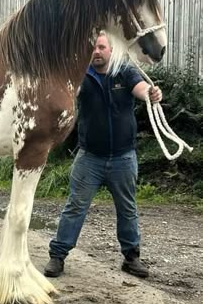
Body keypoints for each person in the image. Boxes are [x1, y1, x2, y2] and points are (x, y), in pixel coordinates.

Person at [44, 31, 162, 279]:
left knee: (127, 209)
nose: (96, 52)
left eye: (100, 47)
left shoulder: (125, 71)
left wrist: (151, 95)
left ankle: (131, 258)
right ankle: (58, 257)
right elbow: (67, 93)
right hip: (90, 158)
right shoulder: (80, 75)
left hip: (123, 158)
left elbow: (141, 88)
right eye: (92, 48)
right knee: (75, 207)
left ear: (110, 50)